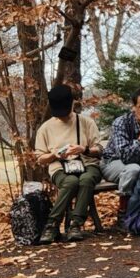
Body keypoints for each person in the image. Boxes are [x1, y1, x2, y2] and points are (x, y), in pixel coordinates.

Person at [34, 84, 104, 243]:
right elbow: (40, 158)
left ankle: (75, 224)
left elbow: (99, 149)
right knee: (71, 182)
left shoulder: (86, 122)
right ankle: (52, 225)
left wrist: (83, 149)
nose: (63, 116)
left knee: (86, 180)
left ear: (73, 103)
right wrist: (54, 154)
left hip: (87, 164)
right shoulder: (45, 128)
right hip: (60, 167)